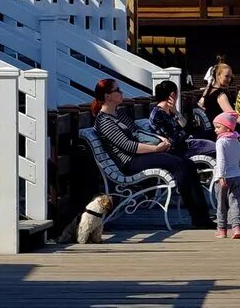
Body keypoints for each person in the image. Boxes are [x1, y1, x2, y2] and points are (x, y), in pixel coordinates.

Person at [91, 78, 213, 228]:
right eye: (117, 90)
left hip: (141, 155)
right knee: (180, 165)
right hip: (130, 162)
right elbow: (128, 146)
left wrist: (159, 138)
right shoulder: (103, 121)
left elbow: (137, 131)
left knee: (187, 164)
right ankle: (199, 218)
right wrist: (156, 149)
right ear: (107, 96)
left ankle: (202, 215)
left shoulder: (119, 113)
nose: (121, 92)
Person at [211, 111, 240, 239]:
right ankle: (236, 227)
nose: (215, 130)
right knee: (235, 202)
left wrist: (221, 176)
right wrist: (239, 172)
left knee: (221, 204)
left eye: (218, 127)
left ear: (228, 127)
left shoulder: (221, 142)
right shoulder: (237, 142)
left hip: (223, 177)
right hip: (236, 176)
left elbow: (221, 160)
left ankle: (222, 229)